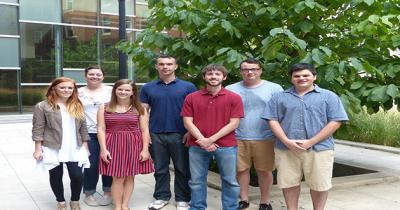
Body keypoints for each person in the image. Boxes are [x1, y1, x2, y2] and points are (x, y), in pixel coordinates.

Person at [262, 63, 348, 210]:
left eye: (306, 75)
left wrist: (311, 141)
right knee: (289, 183)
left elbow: (336, 121)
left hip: (319, 148)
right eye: (297, 76)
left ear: (314, 76)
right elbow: (272, 119)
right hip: (286, 149)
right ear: (291, 78)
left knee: (320, 184)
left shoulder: (329, 96)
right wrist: (286, 141)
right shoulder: (279, 97)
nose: (301, 78)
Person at [181, 64, 244, 210]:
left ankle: (230, 208)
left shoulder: (234, 97)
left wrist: (210, 140)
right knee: (196, 181)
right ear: (204, 77)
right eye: (210, 74)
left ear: (224, 77)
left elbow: (234, 123)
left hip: (227, 146)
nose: (213, 77)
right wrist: (203, 141)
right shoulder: (192, 97)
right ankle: (197, 207)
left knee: (229, 181)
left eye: (217, 74)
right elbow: (187, 122)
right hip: (197, 146)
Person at [140, 55, 196, 210]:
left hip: (181, 134)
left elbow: (195, 112)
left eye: (169, 64)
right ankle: (161, 196)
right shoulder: (148, 87)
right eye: (162, 64)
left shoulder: (188, 87)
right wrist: (145, 134)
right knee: (160, 168)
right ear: (157, 66)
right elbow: (143, 112)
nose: (165, 67)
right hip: (156, 134)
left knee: (182, 168)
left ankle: (182, 198)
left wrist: (190, 132)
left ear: (175, 66)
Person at [226, 58, 283, 210]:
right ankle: (243, 199)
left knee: (264, 171)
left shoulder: (274, 88)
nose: (250, 72)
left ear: (260, 70)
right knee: (241, 170)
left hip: (266, 137)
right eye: (245, 69)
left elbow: (282, 111)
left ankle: (265, 202)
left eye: (254, 69)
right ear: (240, 71)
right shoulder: (231, 88)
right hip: (237, 136)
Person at [32, 77, 90, 210]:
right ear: (54, 89)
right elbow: (38, 128)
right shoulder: (42, 106)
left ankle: (75, 200)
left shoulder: (77, 104)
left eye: (70, 88)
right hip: (53, 146)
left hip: (74, 146)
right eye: (62, 87)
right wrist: (38, 149)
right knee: (56, 175)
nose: (66, 90)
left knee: (77, 175)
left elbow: (83, 127)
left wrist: (85, 146)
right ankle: (61, 202)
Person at [98, 79, 154, 210]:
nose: (123, 92)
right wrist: (103, 149)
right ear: (115, 90)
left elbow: (145, 130)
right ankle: (117, 206)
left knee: (130, 176)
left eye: (127, 90)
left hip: (133, 144)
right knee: (118, 176)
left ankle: (125, 205)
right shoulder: (104, 107)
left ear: (132, 92)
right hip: (113, 143)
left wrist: (145, 150)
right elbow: (101, 128)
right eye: (120, 89)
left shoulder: (140, 108)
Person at [78, 65, 113, 206]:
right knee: (91, 164)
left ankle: (108, 191)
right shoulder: (78, 92)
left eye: (98, 74)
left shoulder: (111, 90)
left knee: (109, 161)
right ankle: (89, 193)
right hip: (88, 133)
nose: (95, 77)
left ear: (103, 76)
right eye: (91, 74)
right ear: (86, 76)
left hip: (109, 132)